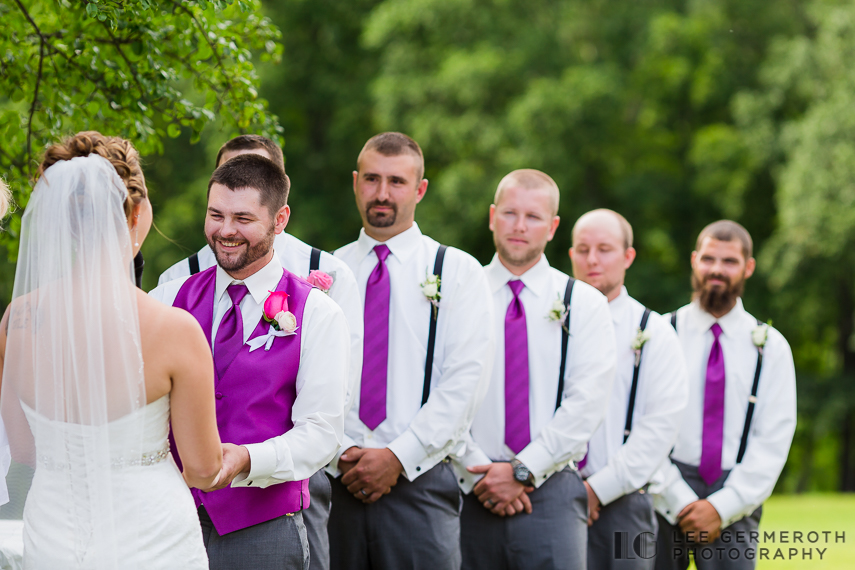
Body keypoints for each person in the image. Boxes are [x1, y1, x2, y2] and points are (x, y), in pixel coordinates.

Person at [0, 131, 223, 569]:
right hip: (151, 532)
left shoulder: (16, 320)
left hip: (53, 533)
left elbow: (24, 451)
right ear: (135, 211)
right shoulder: (175, 329)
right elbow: (201, 467)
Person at [157, 134, 363, 570]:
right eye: (215, 215)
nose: (225, 231)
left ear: (280, 219)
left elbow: (322, 432)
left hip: (263, 529)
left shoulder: (319, 313)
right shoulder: (167, 298)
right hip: (167, 522)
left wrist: (248, 459)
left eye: (243, 218)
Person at [329, 132, 494, 570]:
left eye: (397, 182)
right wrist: (340, 452)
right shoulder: (326, 271)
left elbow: (466, 380)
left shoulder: (458, 271)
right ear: (355, 182)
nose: (382, 194)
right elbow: (307, 375)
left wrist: (398, 456)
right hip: (333, 482)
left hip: (420, 483)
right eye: (371, 179)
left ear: (420, 189)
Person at [454, 170, 615, 570]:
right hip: (467, 483)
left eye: (534, 217)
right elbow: (440, 389)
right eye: (510, 213)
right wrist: (476, 470)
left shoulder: (585, 303)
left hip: (553, 492)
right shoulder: (458, 294)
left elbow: (587, 403)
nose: (520, 226)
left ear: (553, 226)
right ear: (492, 217)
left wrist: (524, 470)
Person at [651, 221, 797, 570]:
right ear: (694, 260)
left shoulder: (771, 347)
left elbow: (774, 438)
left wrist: (721, 507)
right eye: (709, 258)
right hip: (662, 492)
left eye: (729, 261)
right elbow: (643, 423)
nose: (717, 269)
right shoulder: (660, 333)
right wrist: (680, 499)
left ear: (748, 267)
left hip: (736, 498)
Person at [570, 209, 688, 569]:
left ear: (628, 256)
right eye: (582, 249)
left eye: (604, 249)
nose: (592, 259)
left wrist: (596, 491)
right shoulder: (551, 318)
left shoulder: (655, 332)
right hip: (547, 496)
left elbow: (659, 429)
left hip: (626, 503)